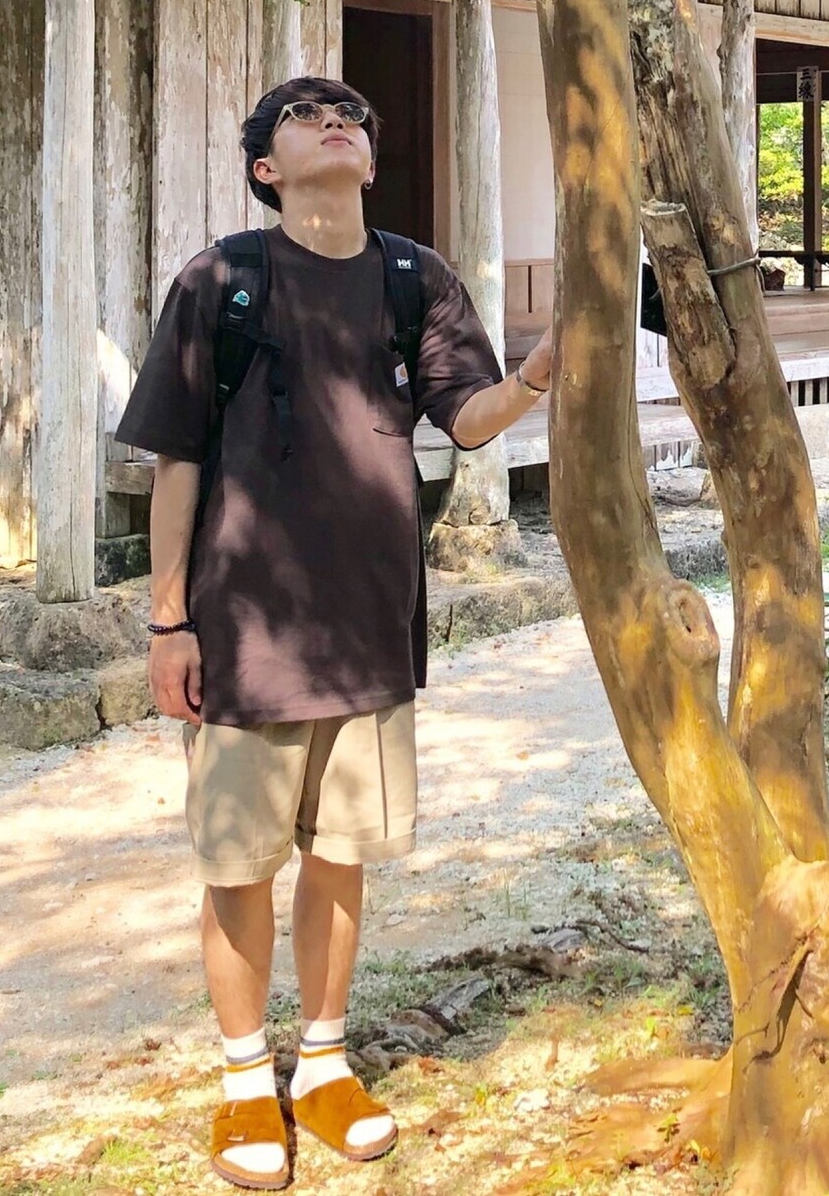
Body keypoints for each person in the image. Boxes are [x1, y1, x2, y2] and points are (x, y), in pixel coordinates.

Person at [115, 76, 553, 1190]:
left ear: (368, 156)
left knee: (342, 853)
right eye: (307, 115)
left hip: (367, 621)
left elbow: (468, 416)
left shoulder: (415, 278)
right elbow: (176, 461)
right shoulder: (222, 280)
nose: (337, 122)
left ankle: (321, 1064)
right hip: (242, 626)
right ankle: (240, 1080)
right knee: (237, 866)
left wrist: (538, 373)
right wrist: (168, 620)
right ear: (267, 168)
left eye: (351, 115)